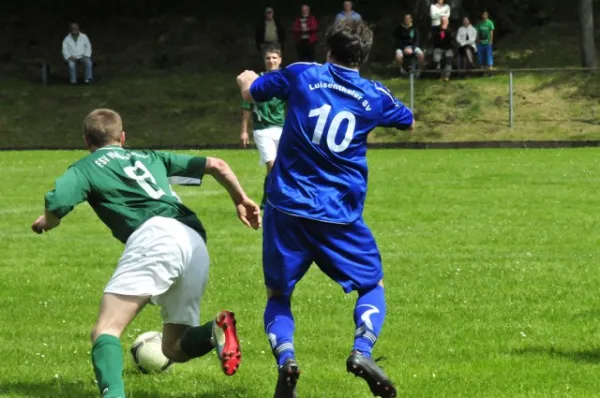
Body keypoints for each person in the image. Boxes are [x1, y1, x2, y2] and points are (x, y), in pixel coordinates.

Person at [237, 19, 414, 398]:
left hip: (286, 208)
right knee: (372, 284)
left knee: (278, 295)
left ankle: (287, 360)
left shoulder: (302, 74)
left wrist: (245, 80)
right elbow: (408, 120)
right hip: (339, 214)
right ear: (362, 56)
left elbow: (253, 92)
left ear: (327, 48)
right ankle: (361, 351)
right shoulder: (375, 94)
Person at [31, 109, 261, 398]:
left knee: (106, 329)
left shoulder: (85, 167)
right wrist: (241, 200)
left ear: (86, 140)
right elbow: (218, 164)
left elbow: (58, 202)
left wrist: (46, 222)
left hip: (155, 237)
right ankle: (214, 331)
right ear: (123, 137)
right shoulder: (150, 157)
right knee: (174, 348)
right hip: (194, 242)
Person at [240, 46, 286, 209]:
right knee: (272, 165)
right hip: (262, 129)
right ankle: (269, 203)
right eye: (268, 58)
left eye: (274, 57)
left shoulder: (285, 80)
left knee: (283, 166)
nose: (271, 61)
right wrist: (244, 130)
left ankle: (272, 200)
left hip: (281, 128)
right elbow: (247, 107)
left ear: (280, 60)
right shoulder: (257, 80)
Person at [432, 16, 454, 81]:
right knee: (436, 59)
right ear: (441, 22)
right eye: (443, 21)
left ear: (448, 22)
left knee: (448, 59)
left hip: (448, 48)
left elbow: (451, 40)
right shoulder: (436, 29)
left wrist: (445, 30)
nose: (444, 22)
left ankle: (446, 76)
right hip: (438, 48)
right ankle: (440, 76)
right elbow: (435, 40)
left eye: (446, 21)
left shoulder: (450, 30)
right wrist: (442, 31)